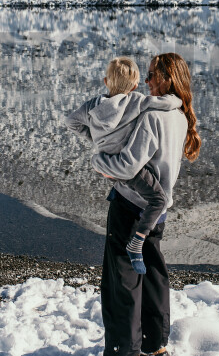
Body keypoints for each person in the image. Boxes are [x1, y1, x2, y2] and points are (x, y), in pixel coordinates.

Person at [91, 53, 201, 356]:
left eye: (152, 75)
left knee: (122, 284)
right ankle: (156, 345)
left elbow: (127, 166)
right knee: (153, 276)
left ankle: (123, 350)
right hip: (158, 212)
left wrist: (101, 162)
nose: (147, 81)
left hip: (130, 208)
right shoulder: (179, 115)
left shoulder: (152, 117)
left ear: (167, 79)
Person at [64, 56, 181, 273]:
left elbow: (71, 122)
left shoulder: (92, 106)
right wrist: (178, 102)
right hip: (129, 168)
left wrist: (97, 141)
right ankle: (136, 244)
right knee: (159, 200)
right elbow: (162, 102)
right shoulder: (135, 101)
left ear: (106, 82)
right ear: (135, 85)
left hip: (111, 164)